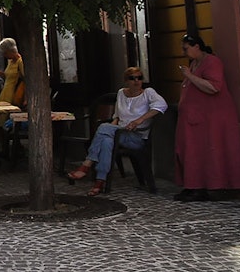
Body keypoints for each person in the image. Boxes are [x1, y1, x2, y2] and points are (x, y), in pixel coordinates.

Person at [67, 67, 168, 196]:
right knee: (106, 141)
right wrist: (111, 129)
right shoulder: (121, 93)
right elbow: (117, 117)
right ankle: (100, 181)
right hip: (120, 132)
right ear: (126, 81)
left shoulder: (148, 93)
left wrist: (139, 120)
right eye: (132, 78)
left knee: (104, 128)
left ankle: (87, 164)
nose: (136, 81)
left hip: (137, 137)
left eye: (139, 78)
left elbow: (162, 105)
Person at [174, 33, 240, 201]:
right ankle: (192, 185)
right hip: (195, 119)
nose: (183, 52)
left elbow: (214, 87)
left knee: (205, 151)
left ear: (196, 46)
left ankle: (203, 187)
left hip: (211, 118)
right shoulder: (194, 63)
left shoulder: (212, 62)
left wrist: (190, 76)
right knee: (190, 151)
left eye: (186, 48)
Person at [0, 38, 25, 108]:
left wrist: (25, 98)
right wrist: (0, 74)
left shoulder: (20, 62)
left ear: (10, 51)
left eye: (5, 53)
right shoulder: (10, 62)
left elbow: (25, 80)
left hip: (13, 94)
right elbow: (8, 77)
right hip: (5, 92)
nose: (4, 55)